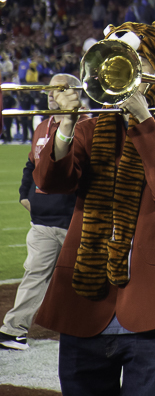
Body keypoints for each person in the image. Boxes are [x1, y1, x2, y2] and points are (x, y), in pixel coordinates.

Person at [31, 22, 155, 395]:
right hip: (83, 306)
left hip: (150, 306)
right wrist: (66, 122)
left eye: (136, 60)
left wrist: (144, 118)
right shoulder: (90, 128)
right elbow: (51, 182)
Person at [0, 74, 86, 351]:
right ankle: (14, 330)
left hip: (78, 219)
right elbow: (31, 164)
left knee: (90, 277)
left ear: (74, 93)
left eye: (59, 90)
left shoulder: (89, 125)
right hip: (44, 220)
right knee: (35, 274)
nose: (51, 95)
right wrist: (25, 194)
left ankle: (99, 329)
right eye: (49, 90)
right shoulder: (42, 126)